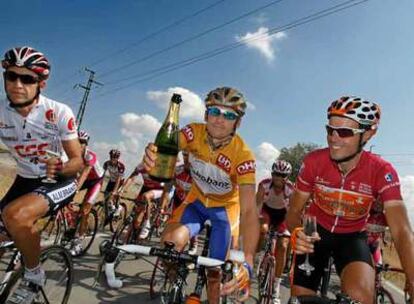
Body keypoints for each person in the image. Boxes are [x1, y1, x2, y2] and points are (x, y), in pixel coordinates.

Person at [286, 96, 414, 303]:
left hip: (352, 238)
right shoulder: (313, 162)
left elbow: (401, 230)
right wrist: (298, 232)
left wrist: (412, 278)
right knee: (300, 300)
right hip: (314, 233)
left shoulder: (382, 170)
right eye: (330, 130)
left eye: (344, 132)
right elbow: (293, 212)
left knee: (362, 296)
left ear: (368, 134)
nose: (334, 138)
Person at [143, 87, 259, 303]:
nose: (219, 120)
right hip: (195, 202)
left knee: (214, 273)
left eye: (229, 115)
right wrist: (153, 151)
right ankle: (175, 278)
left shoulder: (243, 156)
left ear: (238, 123)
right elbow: (167, 144)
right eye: (215, 112)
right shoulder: (192, 132)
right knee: (168, 246)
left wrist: (248, 261)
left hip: (225, 212)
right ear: (206, 114)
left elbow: (250, 210)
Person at [0, 46, 84, 302]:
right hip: (24, 181)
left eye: (27, 79)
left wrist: (59, 168)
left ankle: (34, 275)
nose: (17, 84)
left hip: (57, 180)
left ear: (41, 83)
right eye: (11, 76)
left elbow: (77, 161)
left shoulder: (58, 112)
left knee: (15, 215)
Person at [256, 159, 294, 304]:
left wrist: (290, 229)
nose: (279, 178)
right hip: (267, 212)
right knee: (263, 229)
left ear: (287, 177)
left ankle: (276, 286)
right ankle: (259, 254)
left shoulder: (291, 189)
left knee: (283, 245)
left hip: (282, 215)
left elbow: (292, 212)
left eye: (283, 175)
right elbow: (257, 205)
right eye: (276, 174)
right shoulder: (264, 185)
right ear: (272, 174)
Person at [70, 130, 105, 255]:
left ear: (86, 144)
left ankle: (78, 241)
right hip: (84, 180)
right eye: (77, 141)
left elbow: (84, 174)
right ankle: (72, 224)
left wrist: (75, 190)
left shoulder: (90, 156)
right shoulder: (71, 153)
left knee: (85, 210)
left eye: (82, 142)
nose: (80, 144)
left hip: (95, 181)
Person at [120, 160, 165, 239]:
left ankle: (147, 224)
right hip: (146, 187)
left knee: (146, 196)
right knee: (137, 211)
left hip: (159, 189)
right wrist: (122, 189)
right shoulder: (141, 165)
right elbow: (132, 178)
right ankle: (130, 235)